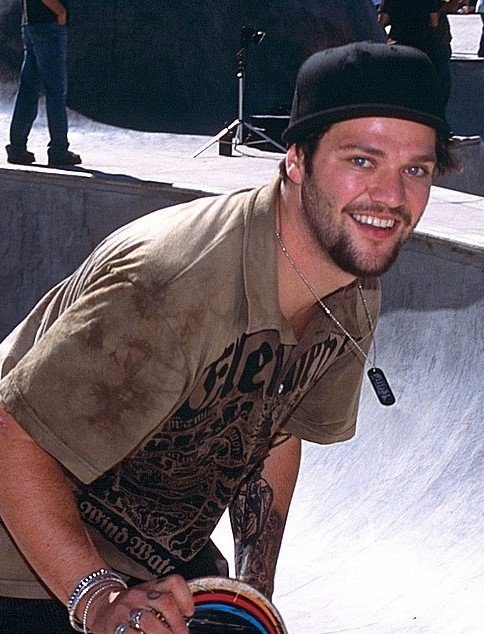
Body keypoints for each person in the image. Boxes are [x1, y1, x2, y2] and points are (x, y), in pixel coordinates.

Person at [0, 41, 455, 634]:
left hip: (157, 563)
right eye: (362, 161)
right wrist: (100, 602)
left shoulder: (352, 285)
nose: (391, 198)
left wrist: (253, 594)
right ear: (295, 159)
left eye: (414, 169)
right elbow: (12, 437)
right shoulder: (174, 281)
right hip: (25, 559)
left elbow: (275, 430)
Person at [5, 0, 81, 167]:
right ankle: (59, 150)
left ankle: (17, 148)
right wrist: (60, 12)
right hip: (48, 24)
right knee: (55, 91)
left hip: (31, 24)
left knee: (28, 90)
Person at [378, 0, 462, 108]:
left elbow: (381, 22)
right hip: (430, 47)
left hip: (398, 46)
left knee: (402, 91)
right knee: (438, 89)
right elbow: (434, 22)